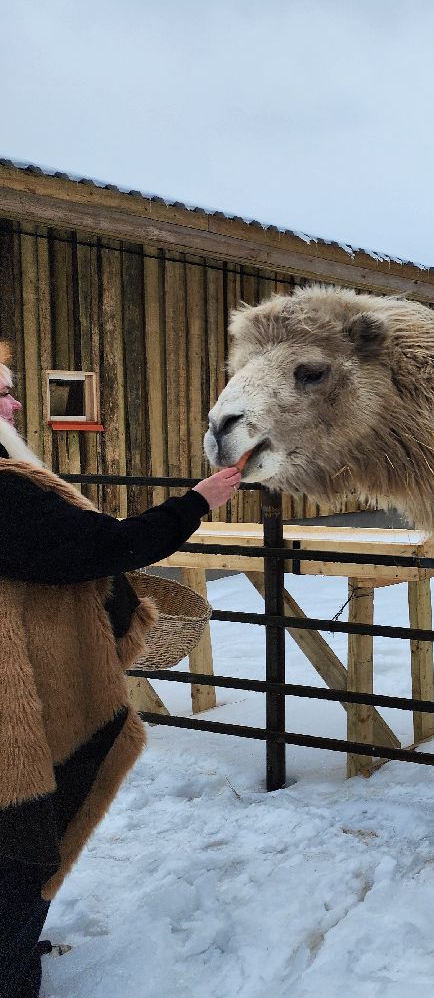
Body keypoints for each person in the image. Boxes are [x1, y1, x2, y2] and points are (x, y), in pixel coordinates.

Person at [0, 341, 242, 998]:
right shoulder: (4, 493)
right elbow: (98, 548)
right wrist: (195, 502)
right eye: (0, 395)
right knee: (21, 846)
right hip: (15, 711)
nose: (15, 402)